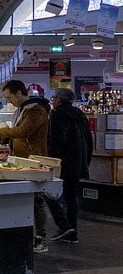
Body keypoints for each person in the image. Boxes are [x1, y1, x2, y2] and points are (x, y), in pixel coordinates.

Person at [0, 79, 52, 254]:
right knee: (24, 199)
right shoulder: (22, 110)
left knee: (37, 200)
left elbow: (23, 131)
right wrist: (5, 138)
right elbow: (18, 134)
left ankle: (41, 239)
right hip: (20, 161)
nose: (8, 101)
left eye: (9, 97)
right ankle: (22, 234)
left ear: (19, 93)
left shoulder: (36, 110)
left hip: (34, 161)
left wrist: (2, 131)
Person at [45, 87, 92, 245]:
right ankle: (72, 232)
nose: (53, 100)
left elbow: (57, 139)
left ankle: (64, 227)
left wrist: (51, 161)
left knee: (51, 193)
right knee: (72, 197)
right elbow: (88, 140)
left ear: (59, 99)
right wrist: (85, 162)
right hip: (78, 163)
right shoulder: (79, 114)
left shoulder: (57, 114)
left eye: (54, 98)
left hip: (63, 163)